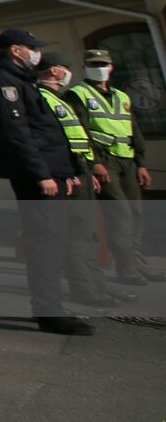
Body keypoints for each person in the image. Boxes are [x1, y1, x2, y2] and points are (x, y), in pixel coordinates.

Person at [0, 28, 92, 335]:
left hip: (52, 173)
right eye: (31, 47)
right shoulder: (3, 82)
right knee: (45, 244)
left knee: (55, 241)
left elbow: (44, 131)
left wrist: (63, 173)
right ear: (16, 50)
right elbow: (17, 133)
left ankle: (52, 306)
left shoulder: (20, 80)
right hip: (36, 176)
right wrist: (41, 173)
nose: (36, 53)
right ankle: (48, 311)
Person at [36, 53, 134, 306]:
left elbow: (77, 138)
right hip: (71, 175)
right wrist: (67, 173)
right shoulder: (43, 98)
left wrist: (88, 168)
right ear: (56, 71)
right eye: (66, 68)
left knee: (89, 233)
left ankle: (97, 285)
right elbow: (52, 141)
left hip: (81, 171)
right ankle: (85, 289)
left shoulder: (58, 98)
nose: (69, 73)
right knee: (78, 234)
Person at [65, 48, 162, 286]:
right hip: (103, 160)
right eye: (93, 63)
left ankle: (136, 260)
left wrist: (141, 163)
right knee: (119, 213)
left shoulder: (121, 96)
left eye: (102, 63)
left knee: (135, 212)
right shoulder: (78, 94)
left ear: (111, 67)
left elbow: (133, 130)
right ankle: (125, 267)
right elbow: (80, 131)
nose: (98, 67)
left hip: (127, 159)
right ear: (85, 66)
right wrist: (94, 162)